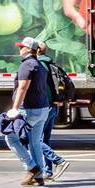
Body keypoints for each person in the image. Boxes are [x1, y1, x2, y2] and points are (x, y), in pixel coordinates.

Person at [4, 37, 52, 186]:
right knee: (35, 142)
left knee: (10, 137)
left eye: (21, 47)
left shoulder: (27, 65)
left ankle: (31, 168)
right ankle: (39, 177)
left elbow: (22, 88)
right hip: (42, 109)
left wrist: (14, 108)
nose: (19, 49)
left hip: (29, 110)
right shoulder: (39, 65)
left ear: (28, 49)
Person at [35, 40, 71, 180]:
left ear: (37, 51)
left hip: (46, 106)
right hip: (54, 107)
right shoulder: (51, 63)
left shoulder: (40, 66)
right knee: (45, 139)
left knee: (34, 139)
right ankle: (48, 172)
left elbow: (44, 89)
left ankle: (58, 161)